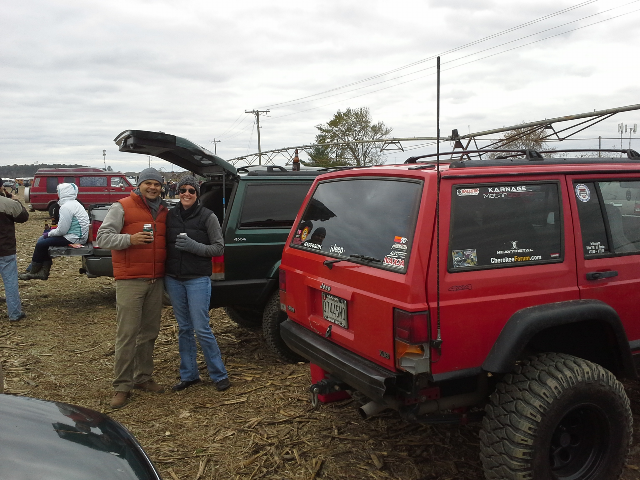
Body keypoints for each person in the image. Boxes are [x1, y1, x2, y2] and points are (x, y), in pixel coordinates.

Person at [96, 168, 169, 409]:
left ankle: (143, 378)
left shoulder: (164, 209)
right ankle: (121, 386)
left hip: (155, 280)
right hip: (130, 280)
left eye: (156, 184)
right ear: (139, 185)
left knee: (149, 333)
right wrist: (130, 240)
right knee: (127, 334)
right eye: (147, 183)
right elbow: (103, 238)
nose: (152, 187)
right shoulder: (122, 206)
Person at [165, 175, 230, 392]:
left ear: (197, 194)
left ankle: (219, 375)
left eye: (191, 190)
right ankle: (189, 375)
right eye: (182, 189)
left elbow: (219, 248)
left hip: (197, 279)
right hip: (174, 278)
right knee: (184, 328)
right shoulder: (170, 215)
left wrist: (195, 246)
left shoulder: (207, 217)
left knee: (201, 328)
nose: (186, 194)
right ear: (177, 191)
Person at [19, 183, 89, 281]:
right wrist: (50, 233)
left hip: (75, 237)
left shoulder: (66, 207)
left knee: (41, 243)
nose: (57, 193)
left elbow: (62, 230)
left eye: (58, 191)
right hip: (77, 235)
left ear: (63, 193)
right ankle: (38, 271)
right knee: (43, 240)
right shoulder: (74, 203)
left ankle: (34, 272)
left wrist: (49, 233)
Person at [0, 179, 29, 321]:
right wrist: (15, 201)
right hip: (5, 249)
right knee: (10, 281)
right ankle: (14, 313)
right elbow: (23, 217)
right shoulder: (7, 203)